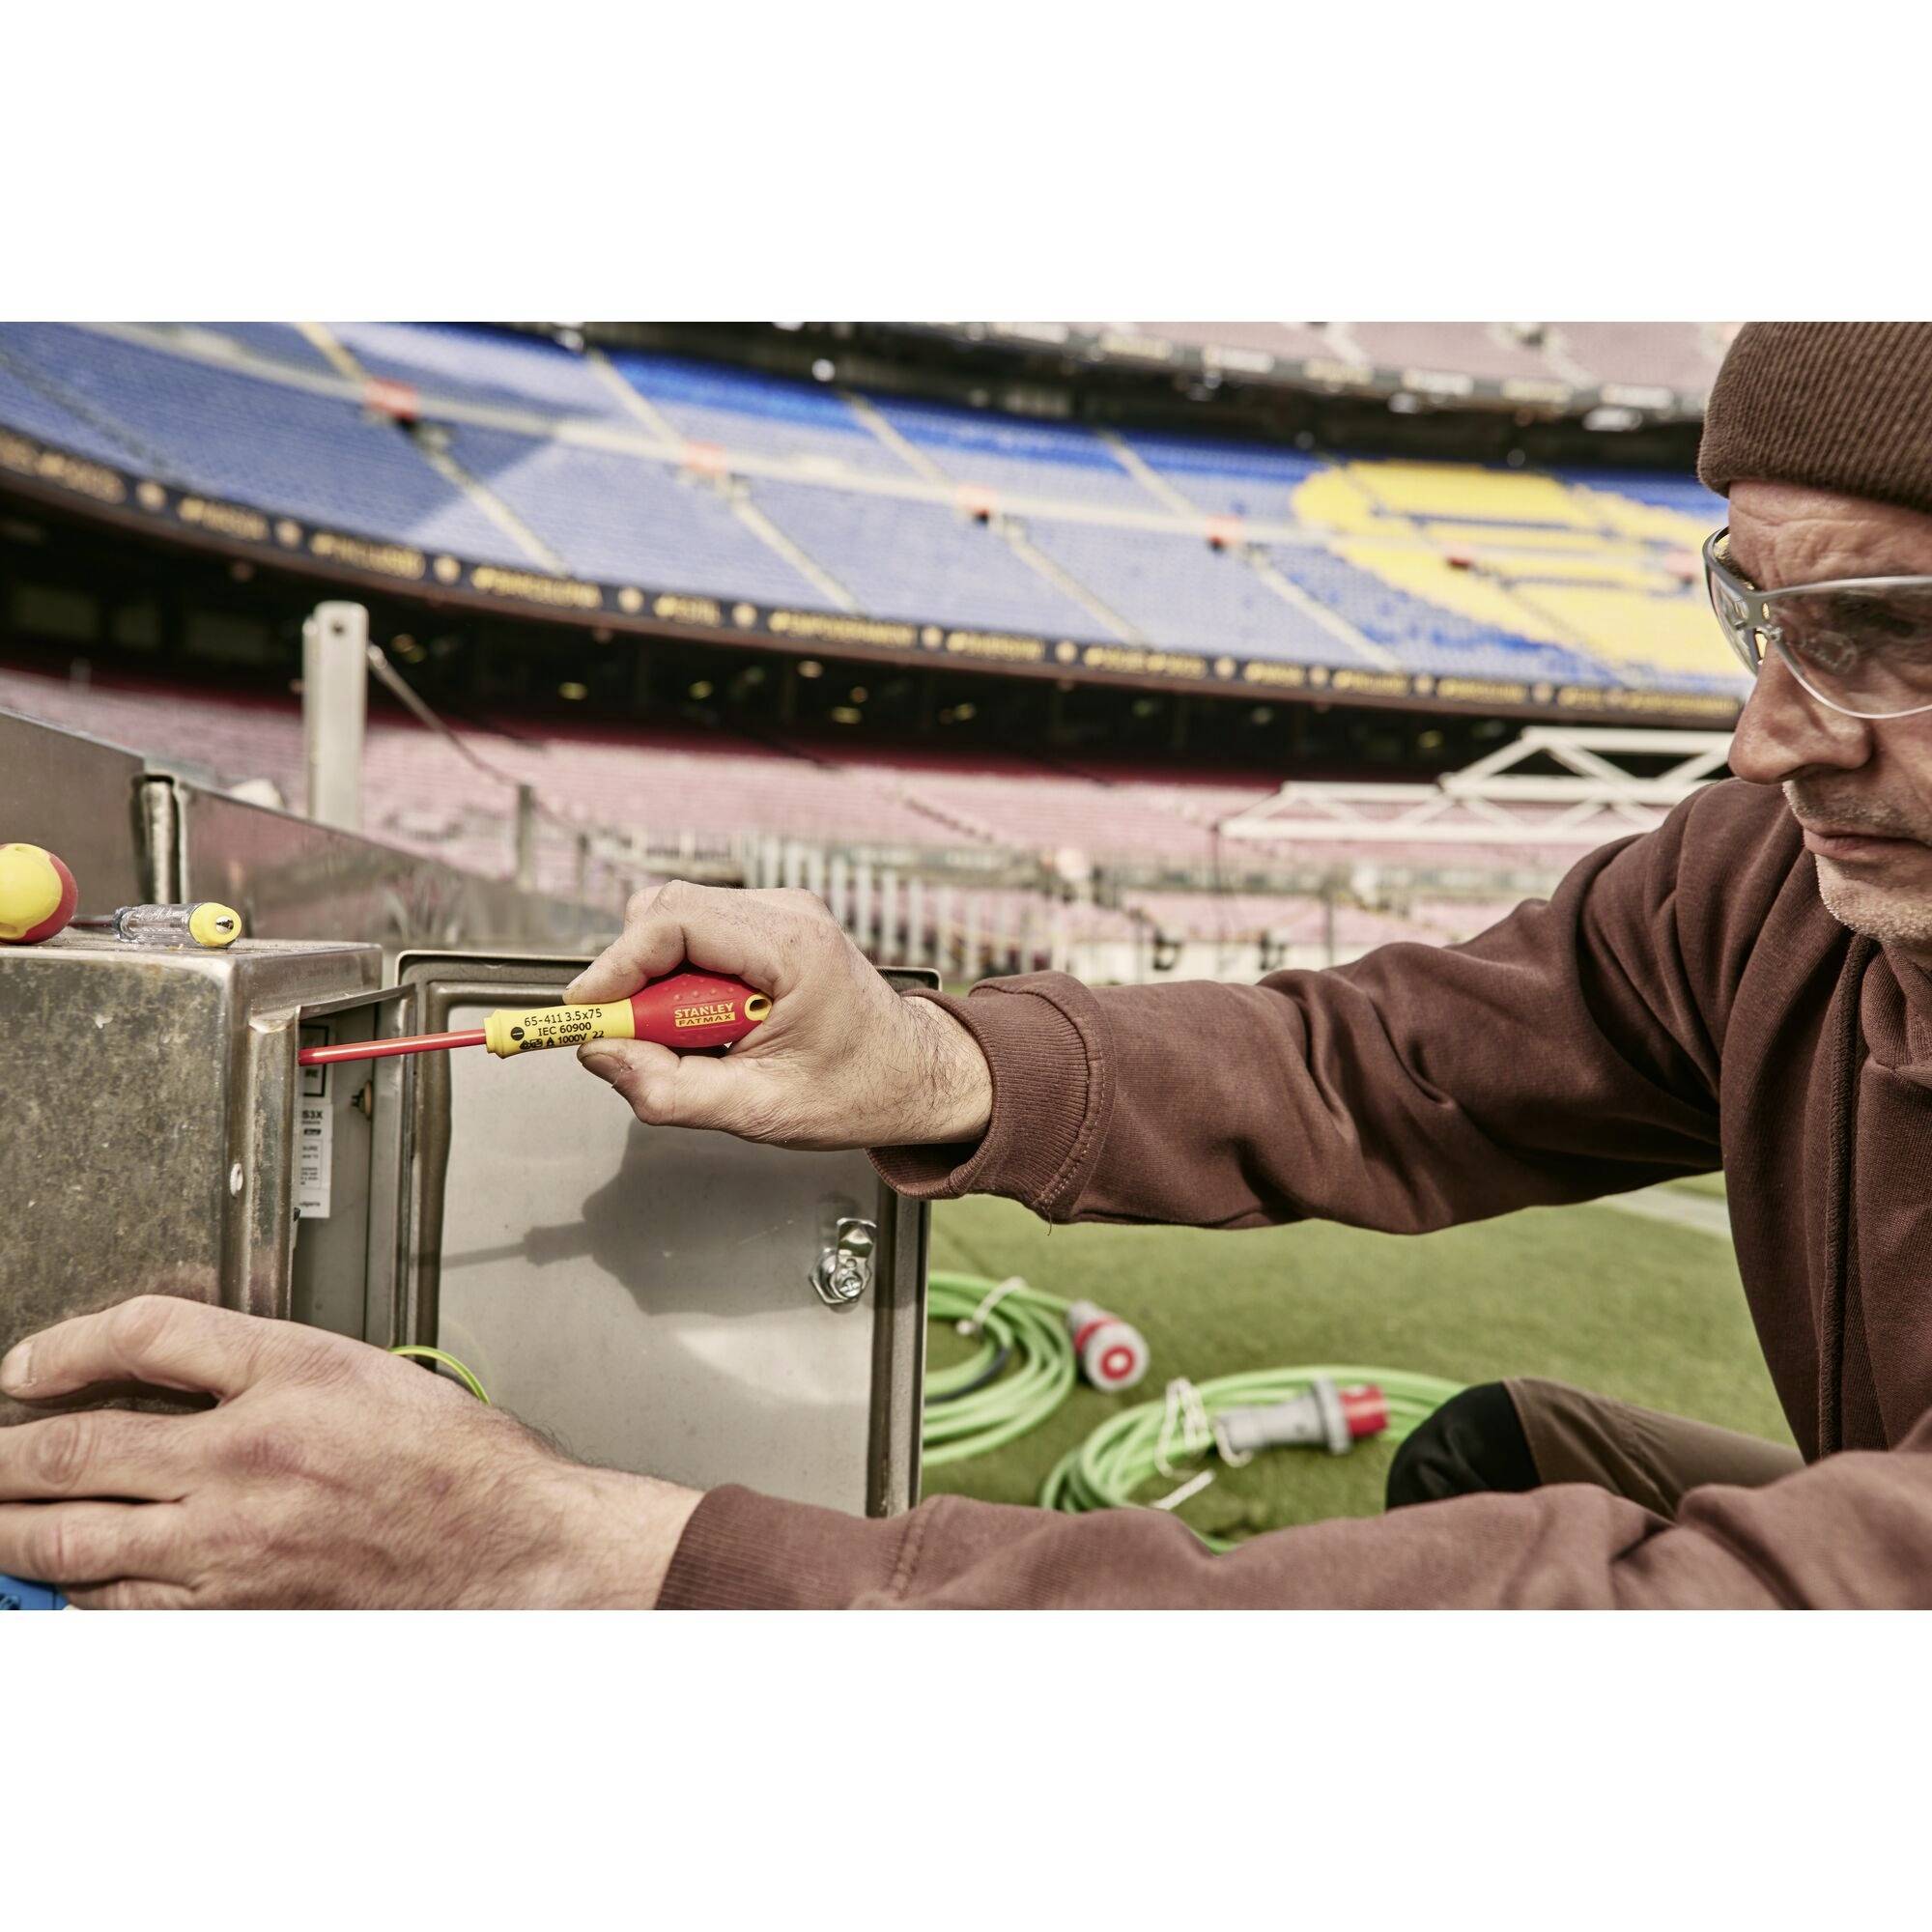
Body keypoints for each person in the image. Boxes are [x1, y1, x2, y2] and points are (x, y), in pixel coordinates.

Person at [5, 321, 1932, 1608]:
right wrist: (929, 1059)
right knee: (1496, 1449)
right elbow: (1385, 1063)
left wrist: (581, 1547)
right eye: (1752, 607)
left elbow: (1712, 1638)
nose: (1764, 735)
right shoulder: (1767, 870)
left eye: (1878, 634)